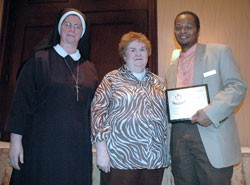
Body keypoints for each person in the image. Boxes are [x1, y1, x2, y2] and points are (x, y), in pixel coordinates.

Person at [5, 8, 98, 185]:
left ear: (82, 33)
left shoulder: (90, 68)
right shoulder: (39, 59)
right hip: (41, 144)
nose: (72, 29)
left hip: (76, 148)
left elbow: (96, 109)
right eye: (67, 24)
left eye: (77, 26)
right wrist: (15, 142)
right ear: (59, 28)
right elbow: (21, 103)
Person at [166, 11, 247, 185]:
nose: (183, 31)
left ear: (198, 30)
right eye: (178, 27)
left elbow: (237, 86)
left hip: (211, 132)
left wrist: (210, 113)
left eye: (189, 27)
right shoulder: (172, 66)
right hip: (179, 136)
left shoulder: (219, 52)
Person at [91, 31, 169, 185]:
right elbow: (97, 113)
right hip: (120, 160)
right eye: (132, 50)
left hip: (153, 161)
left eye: (142, 49)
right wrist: (101, 152)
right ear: (124, 55)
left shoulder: (158, 82)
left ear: (148, 53)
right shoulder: (111, 79)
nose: (138, 53)